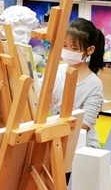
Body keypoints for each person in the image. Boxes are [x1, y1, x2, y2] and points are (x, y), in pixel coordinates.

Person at [43, 19, 105, 148]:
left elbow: (85, 124)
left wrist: (51, 126)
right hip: (57, 142)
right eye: (65, 46)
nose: (68, 51)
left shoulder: (94, 84)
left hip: (82, 145)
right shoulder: (56, 71)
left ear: (90, 50)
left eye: (74, 48)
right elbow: (36, 94)